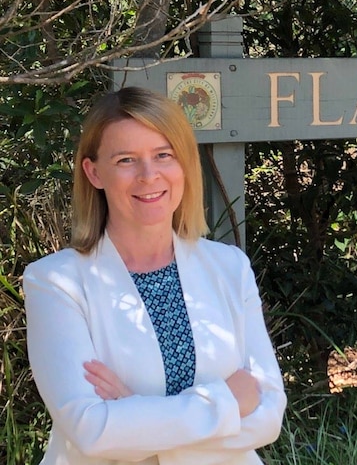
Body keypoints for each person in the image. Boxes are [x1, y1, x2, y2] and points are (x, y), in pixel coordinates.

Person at [24, 86, 287, 465]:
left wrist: (133, 413)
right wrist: (226, 403)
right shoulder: (56, 283)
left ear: (184, 164)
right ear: (94, 172)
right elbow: (91, 431)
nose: (149, 175)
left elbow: (268, 414)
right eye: (127, 160)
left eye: (164, 155)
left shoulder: (229, 268)